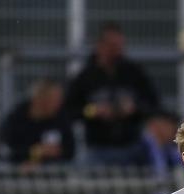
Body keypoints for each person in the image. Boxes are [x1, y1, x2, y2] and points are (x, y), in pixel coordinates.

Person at [65, 22, 160, 165]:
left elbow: (153, 104)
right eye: (111, 46)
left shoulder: (134, 73)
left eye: (119, 45)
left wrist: (134, 108)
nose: (116, 50)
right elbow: (69, 110)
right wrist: (93, 110)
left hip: (132, 147)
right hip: (98, 148)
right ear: (100, 46)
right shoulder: (85, 77)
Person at [0, 78, 75, 167]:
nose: (59, 103)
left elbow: (70, 150)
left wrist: (57, 151)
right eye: (54, 99)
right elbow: (4, 150)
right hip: (17, 175)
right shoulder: (16, 119)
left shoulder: (60, 118)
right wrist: (34, 151)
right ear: (39, 99)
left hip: (54, 176)